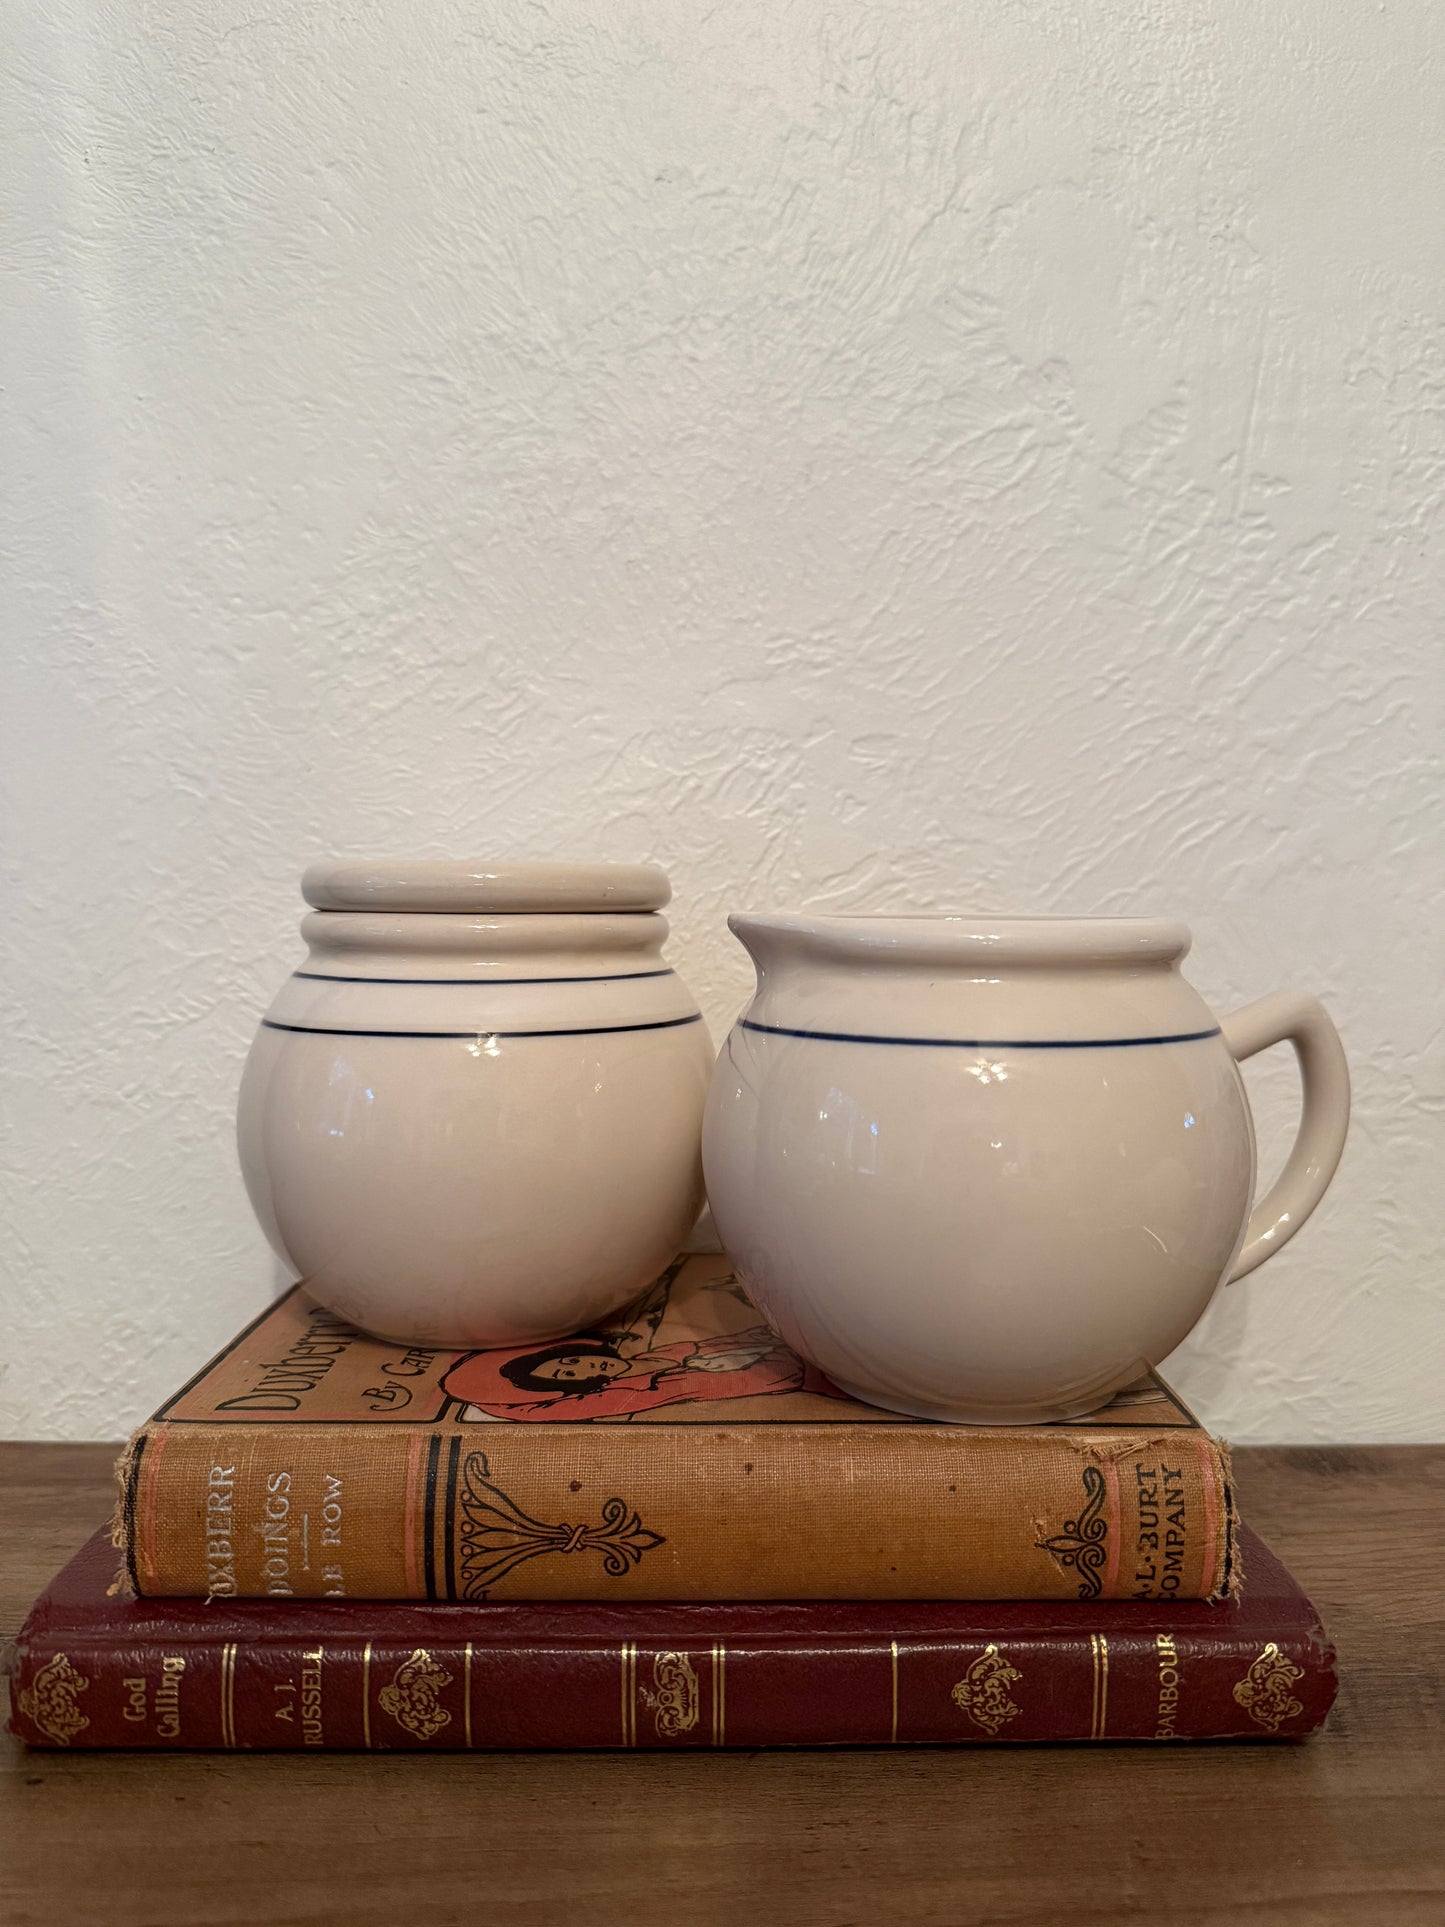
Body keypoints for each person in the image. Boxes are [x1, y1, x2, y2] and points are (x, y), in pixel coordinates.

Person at [442, 1324, 843, 1421]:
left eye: (569, 1360)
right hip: (814, 1371)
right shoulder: (654, 1387)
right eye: (569, 1376)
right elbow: (773, 1376)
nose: (582, 1366)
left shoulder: (659, 1356)